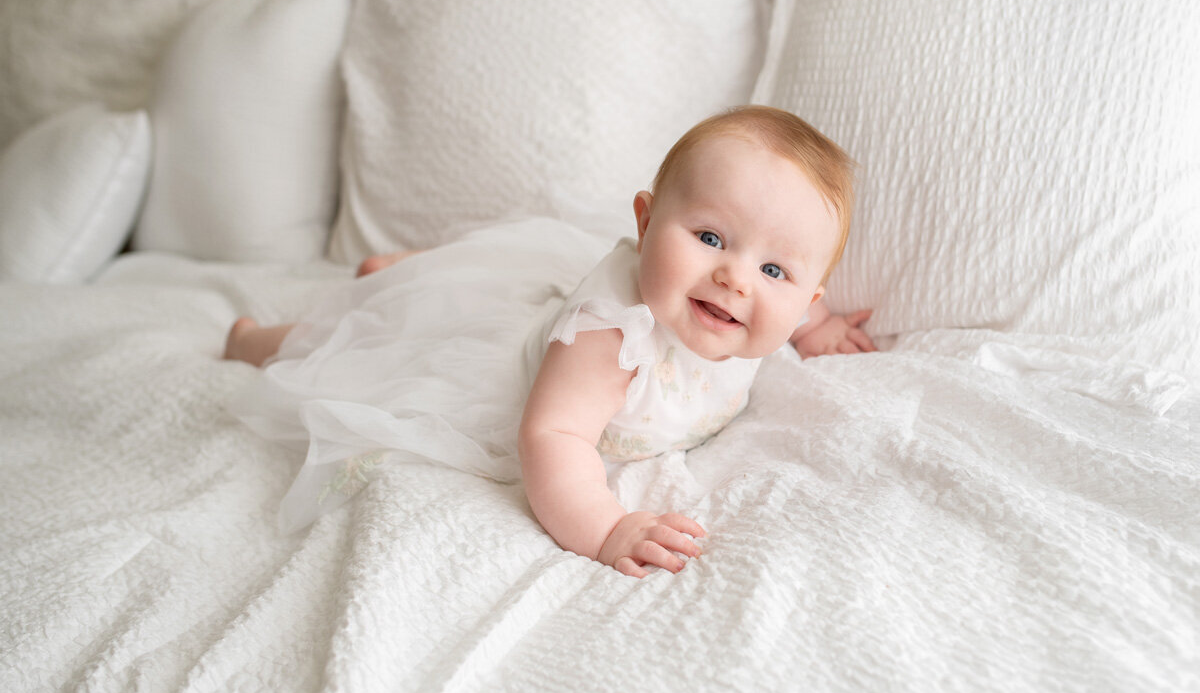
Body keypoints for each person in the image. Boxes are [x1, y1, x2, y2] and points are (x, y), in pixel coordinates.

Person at [224, 105, 873, 577]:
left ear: (804, 301)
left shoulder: (767, 312)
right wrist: (607, 527)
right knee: (363, 340)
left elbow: (793, 311)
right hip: (499, 368)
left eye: (774, 271)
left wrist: (824, 332)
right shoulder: (608, 335)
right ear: (645, 224)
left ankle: (398, 272)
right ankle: (259, 338)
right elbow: (553, 437)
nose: (735, 277)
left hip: (551, 290)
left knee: (460, 284)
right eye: (709, 238)